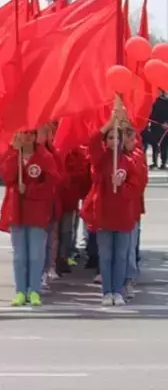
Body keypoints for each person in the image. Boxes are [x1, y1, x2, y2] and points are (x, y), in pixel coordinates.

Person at [82, 103, 147, 305]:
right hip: (103, 213)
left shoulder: (129, 159)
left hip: (124, 215)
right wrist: (109, 123)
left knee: (120, 257)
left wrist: (122, 186)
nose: (114, 141)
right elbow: (92, 143)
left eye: (117, 137)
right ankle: (106, 292)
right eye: (110, 137)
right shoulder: (101, 159)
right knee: (106, 257)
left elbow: (136, 186)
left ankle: (118, 291)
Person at [0, 130, 60, 307]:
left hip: (37, 212)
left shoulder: (44, 157)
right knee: (19, 255)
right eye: (21, 134)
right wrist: (13, 153)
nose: (23, 137)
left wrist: (31, 190)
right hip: (17, 211)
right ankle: (20, 291)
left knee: (35, 254)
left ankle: (34, 290)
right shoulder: (12, 154)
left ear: (34, 137)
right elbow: (6, 176)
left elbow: (52, 183)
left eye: (28, 134)